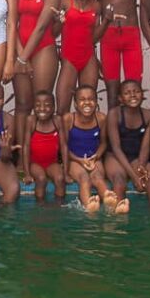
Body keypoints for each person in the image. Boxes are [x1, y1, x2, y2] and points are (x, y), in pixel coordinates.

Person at [14, 0, 60, 155]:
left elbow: (42, 27)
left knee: (41, 103)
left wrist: (23, 59)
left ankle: (42, 153)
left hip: (43, 49)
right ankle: (18, 153)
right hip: (21, 51)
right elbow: (11, 25)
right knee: (23, 104)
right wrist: (21, 55)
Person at [92, 0, 148, 108]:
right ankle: (112, 131)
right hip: (108, 37)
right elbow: (93, 17)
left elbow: (149, 6)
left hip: (131, 35)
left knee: (134, 87)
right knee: (112, 88)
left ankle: (134, 131)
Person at [53, 0, 111, 114]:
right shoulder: (65, 1)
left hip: (89, 59)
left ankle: (85, 137)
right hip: (69, 59)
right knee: (62, 108)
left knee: (88, 106)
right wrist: (59, 21)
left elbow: (94, 39)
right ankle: (63, 137)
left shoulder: (97, 6)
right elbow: (54, 32)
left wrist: (106, 21)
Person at [104, 80, 150, 205]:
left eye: (136, 91)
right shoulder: (114, 114)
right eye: (127, 93)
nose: (133, 95)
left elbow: (145, 147)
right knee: (119, 182)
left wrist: (140, 167)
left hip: (137, 157)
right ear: (120, 98)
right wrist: (134, 176)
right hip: (115, 156)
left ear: (142, 95)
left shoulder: (149, 115)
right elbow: (116, 147)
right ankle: (115, 220)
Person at [62, 85, 116, 213]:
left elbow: (103, 143)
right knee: (84, 178)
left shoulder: (101, 118)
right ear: (75, 104)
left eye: (91, 99)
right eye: (82, 99)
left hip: (94, 158)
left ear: (96, 102)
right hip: (74, 159)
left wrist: (96, 156)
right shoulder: (68, 119)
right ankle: (88, 205)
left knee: (97, 176)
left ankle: (109, 200)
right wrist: (79, 160)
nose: (87, 102)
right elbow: (63, 147)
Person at [24, 90, 68, 203]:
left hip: (52, 163)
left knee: (60, 179)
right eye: (38, 105)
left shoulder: (57, 120)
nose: (42, 108)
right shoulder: (31, 121)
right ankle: (40, 207)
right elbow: (26, 146)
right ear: (33, 107)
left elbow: (63, 146)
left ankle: (59, 207)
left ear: (53, 108)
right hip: (35, 163)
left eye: (47, 105)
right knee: (41, 178)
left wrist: (66, 172)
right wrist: (27, 173)